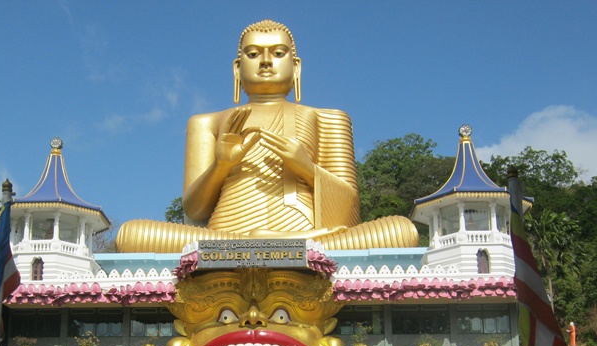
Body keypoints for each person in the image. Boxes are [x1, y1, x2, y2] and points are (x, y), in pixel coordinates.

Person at [115, 20, 418, 253]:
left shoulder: (328, 118)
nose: (265, 61)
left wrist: (308, 170)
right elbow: (195, 210)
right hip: (225, 239)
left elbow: (349, 212)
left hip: (308, 239)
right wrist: (220, 165)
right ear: (237, 69)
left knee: (401, 231)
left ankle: (272, 248)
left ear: (296, 67)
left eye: (277, 52)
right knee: (131, 234)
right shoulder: (206, 122)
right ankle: (259, 249)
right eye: (253, 53)